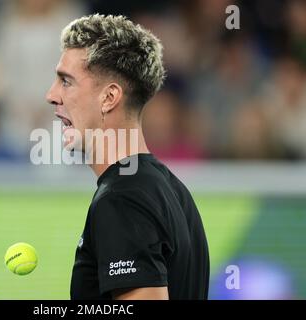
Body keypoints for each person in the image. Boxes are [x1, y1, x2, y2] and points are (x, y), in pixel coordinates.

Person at [46, 14, 209, 300]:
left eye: (66, 82)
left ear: (109, 98)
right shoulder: (170, 189)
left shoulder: (122, 198)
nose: (52, 95)